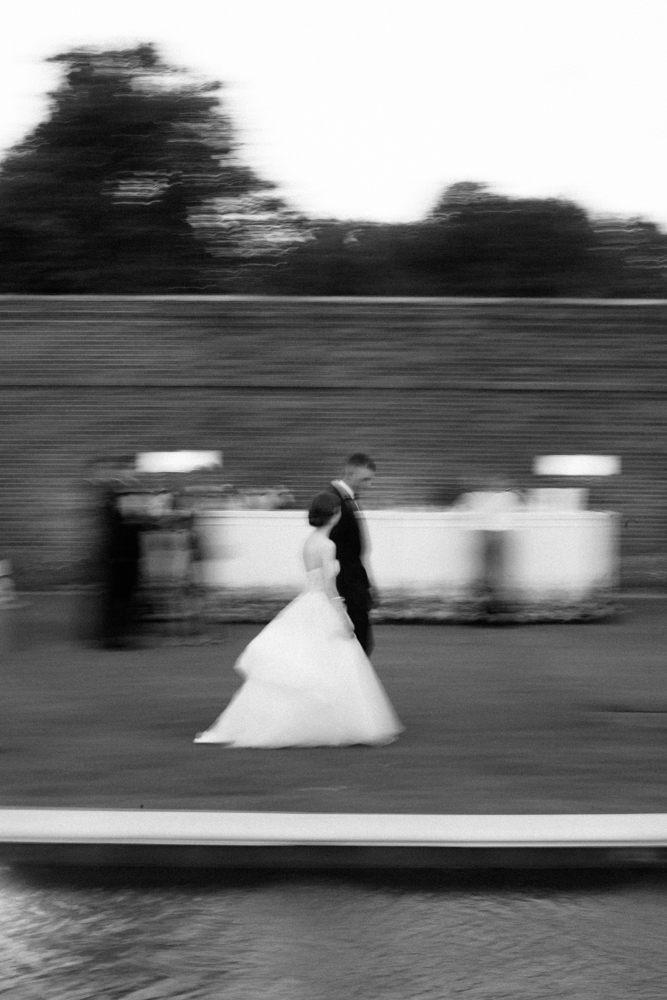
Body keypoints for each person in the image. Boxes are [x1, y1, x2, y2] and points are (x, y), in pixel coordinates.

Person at [194, 491, 403, 748]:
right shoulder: (327, 545)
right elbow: (329, 587)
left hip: (308, 602)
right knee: (334, 663)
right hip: (323, 604)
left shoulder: (308, 541)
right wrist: (343, 616)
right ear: (334, 514)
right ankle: (331, 722)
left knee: (308, 661)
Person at [325, 454, 376, 656]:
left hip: (356, 585)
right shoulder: (334, 501)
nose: (369, 485)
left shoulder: (347, 500)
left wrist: (369, 583)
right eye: (365, 479)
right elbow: (331, 551)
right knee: (358, 646)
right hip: (346, 587)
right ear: (350, 473)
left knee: (360, 645)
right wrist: (338, 596)